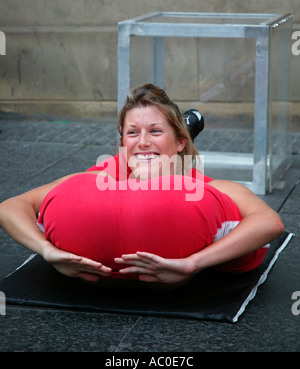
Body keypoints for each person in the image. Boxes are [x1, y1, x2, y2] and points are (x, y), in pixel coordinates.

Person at [0, 84, 284, 286]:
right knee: (135, 161)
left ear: (181, 143)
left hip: (170, 166)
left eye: (155, 131)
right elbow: (10, 207)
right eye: (132, 133)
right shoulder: (96, 177)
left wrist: (193, 263)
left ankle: (181, 127)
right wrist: (47, 251)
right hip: (127, 170)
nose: (143, 140)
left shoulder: (210, 188)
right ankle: (176, 128)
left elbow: (270, 223)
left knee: (150, 158)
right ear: (122, 142)